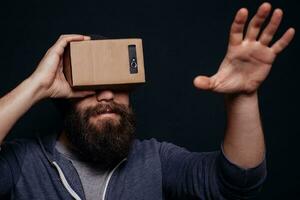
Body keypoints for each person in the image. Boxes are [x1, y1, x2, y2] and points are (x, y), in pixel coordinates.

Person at [0, 2, 295, 200]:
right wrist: (35, 86)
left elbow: (238, 183)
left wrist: (243, 96)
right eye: (89, 87)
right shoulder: (23, 162)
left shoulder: (155, 160)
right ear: (61, 95)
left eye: (119, 85)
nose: (106, 95)